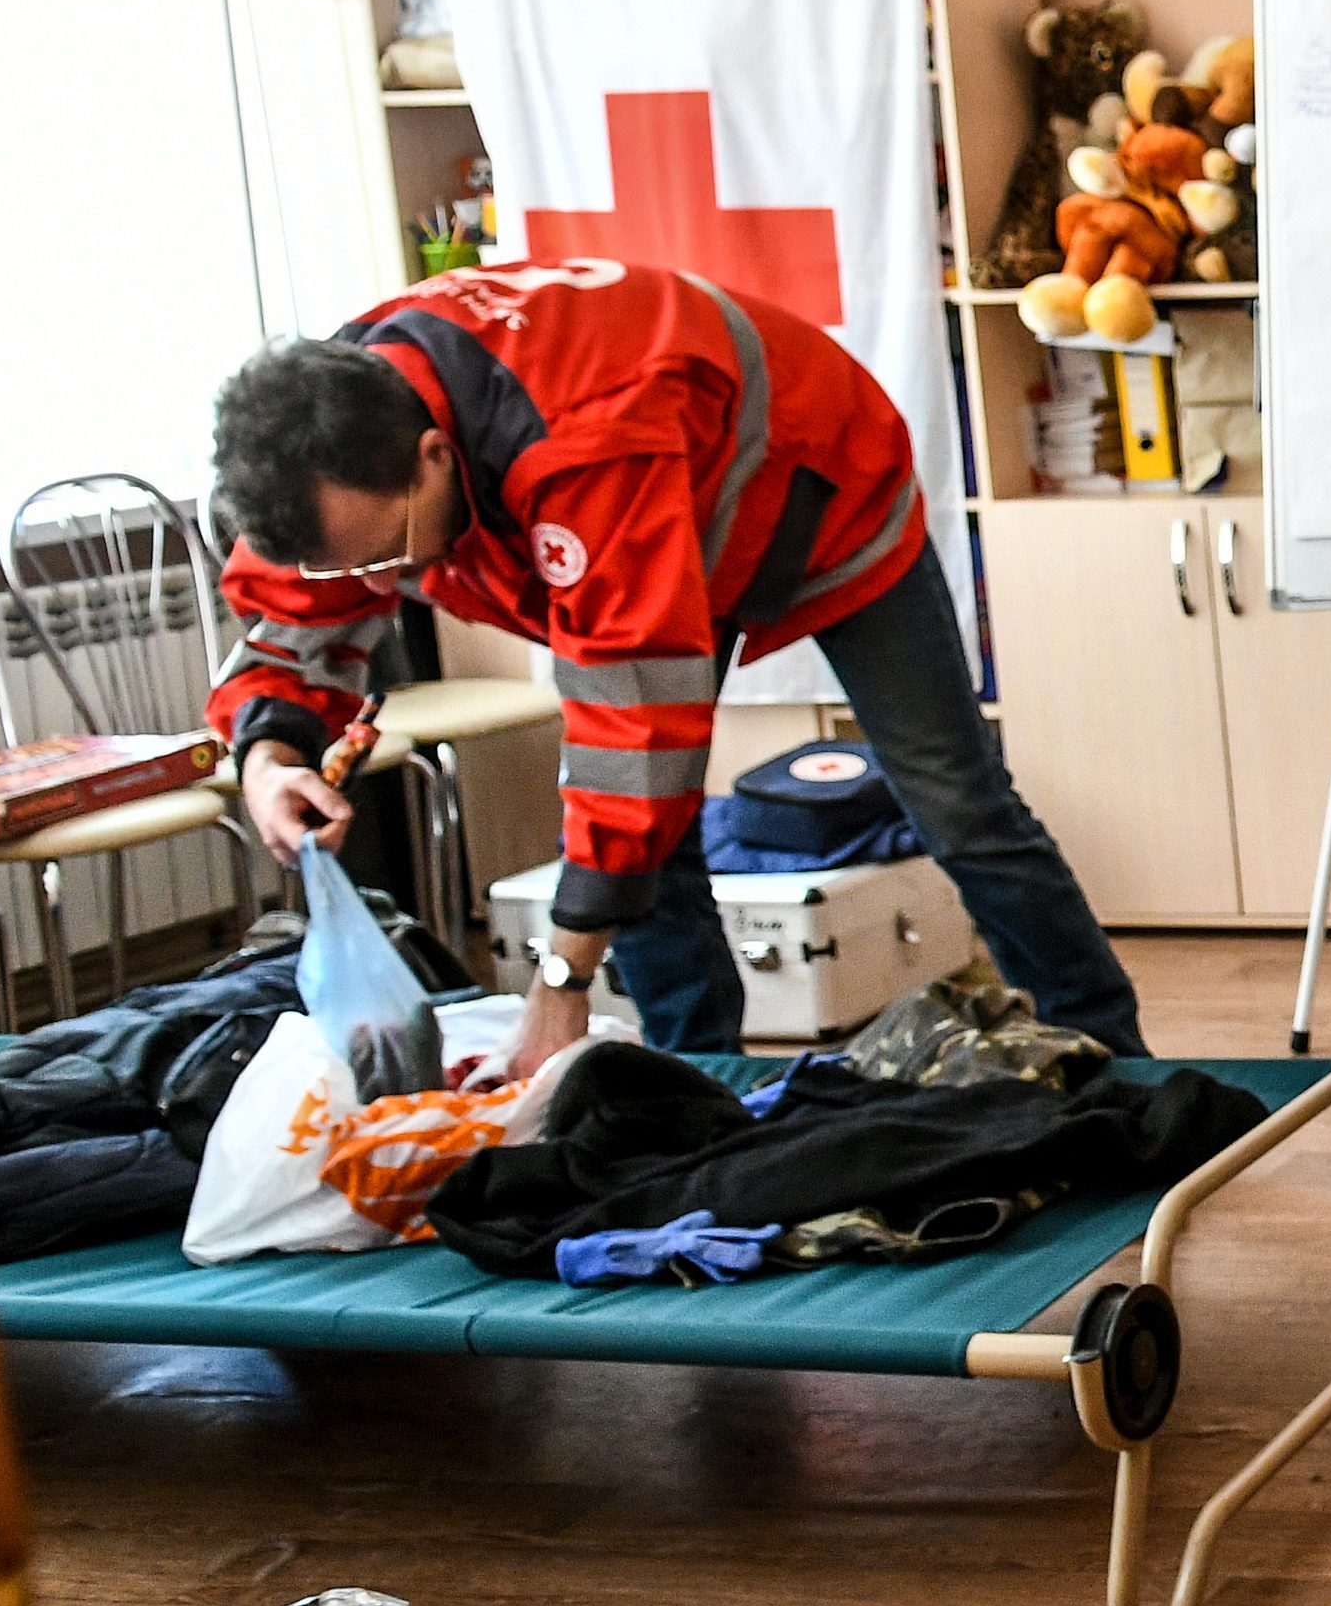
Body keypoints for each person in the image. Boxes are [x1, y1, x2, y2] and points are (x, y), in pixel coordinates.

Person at [206, 257, 1144, 1078]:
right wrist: (270, 755)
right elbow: (292, 615)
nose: (385, 585)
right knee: (647, 844)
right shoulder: (328, 436)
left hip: (822, 493)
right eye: (357, 566)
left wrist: (561, 989)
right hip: (660, 501)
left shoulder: (581, 435)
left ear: (434, 453)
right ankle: (700, 1080)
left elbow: (634, 745)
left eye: (395, 556)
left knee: (955, 799)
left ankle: (1112, 1053)